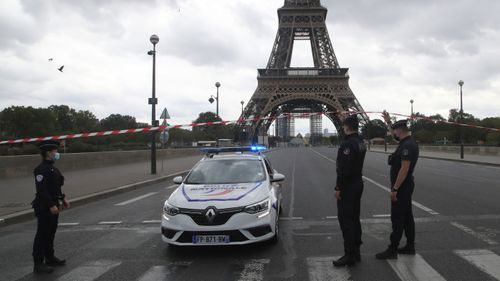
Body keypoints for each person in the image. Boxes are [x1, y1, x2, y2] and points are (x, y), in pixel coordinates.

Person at [375, 118, 419, 260]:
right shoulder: (407, 142)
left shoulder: (407, 146)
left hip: (402, 186)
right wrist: (388, 122)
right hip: (406, 185)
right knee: (407, 217)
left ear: (399, 130)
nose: (392, 133)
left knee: (397, 218)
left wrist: (395, 189)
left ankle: (392, 249)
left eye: (394, 130)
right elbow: (396, 140)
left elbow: (404, 170)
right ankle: (410, 246)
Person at [333, 115, 366, 267]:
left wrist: (339, 187)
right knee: (354, 218)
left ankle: (349, 254)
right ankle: (356, 250)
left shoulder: (347, 145)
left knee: (346, 220)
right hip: (358, 183)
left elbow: (344, 170)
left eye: (344, 126)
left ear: (346, 127)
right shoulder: (360, 142)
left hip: (348, 186)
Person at [32, 140, 70, 274]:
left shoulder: (54, 168)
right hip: (44, 206)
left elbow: (56, 187)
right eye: (55, 151)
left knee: (51, 232)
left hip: (54, 204)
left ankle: (50, 257)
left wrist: (63, 198)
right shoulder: (41, 169)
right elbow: (42, 190)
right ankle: (38, 263)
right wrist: (51, 205)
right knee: (42, 234)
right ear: (48, 153)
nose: (57, 153)